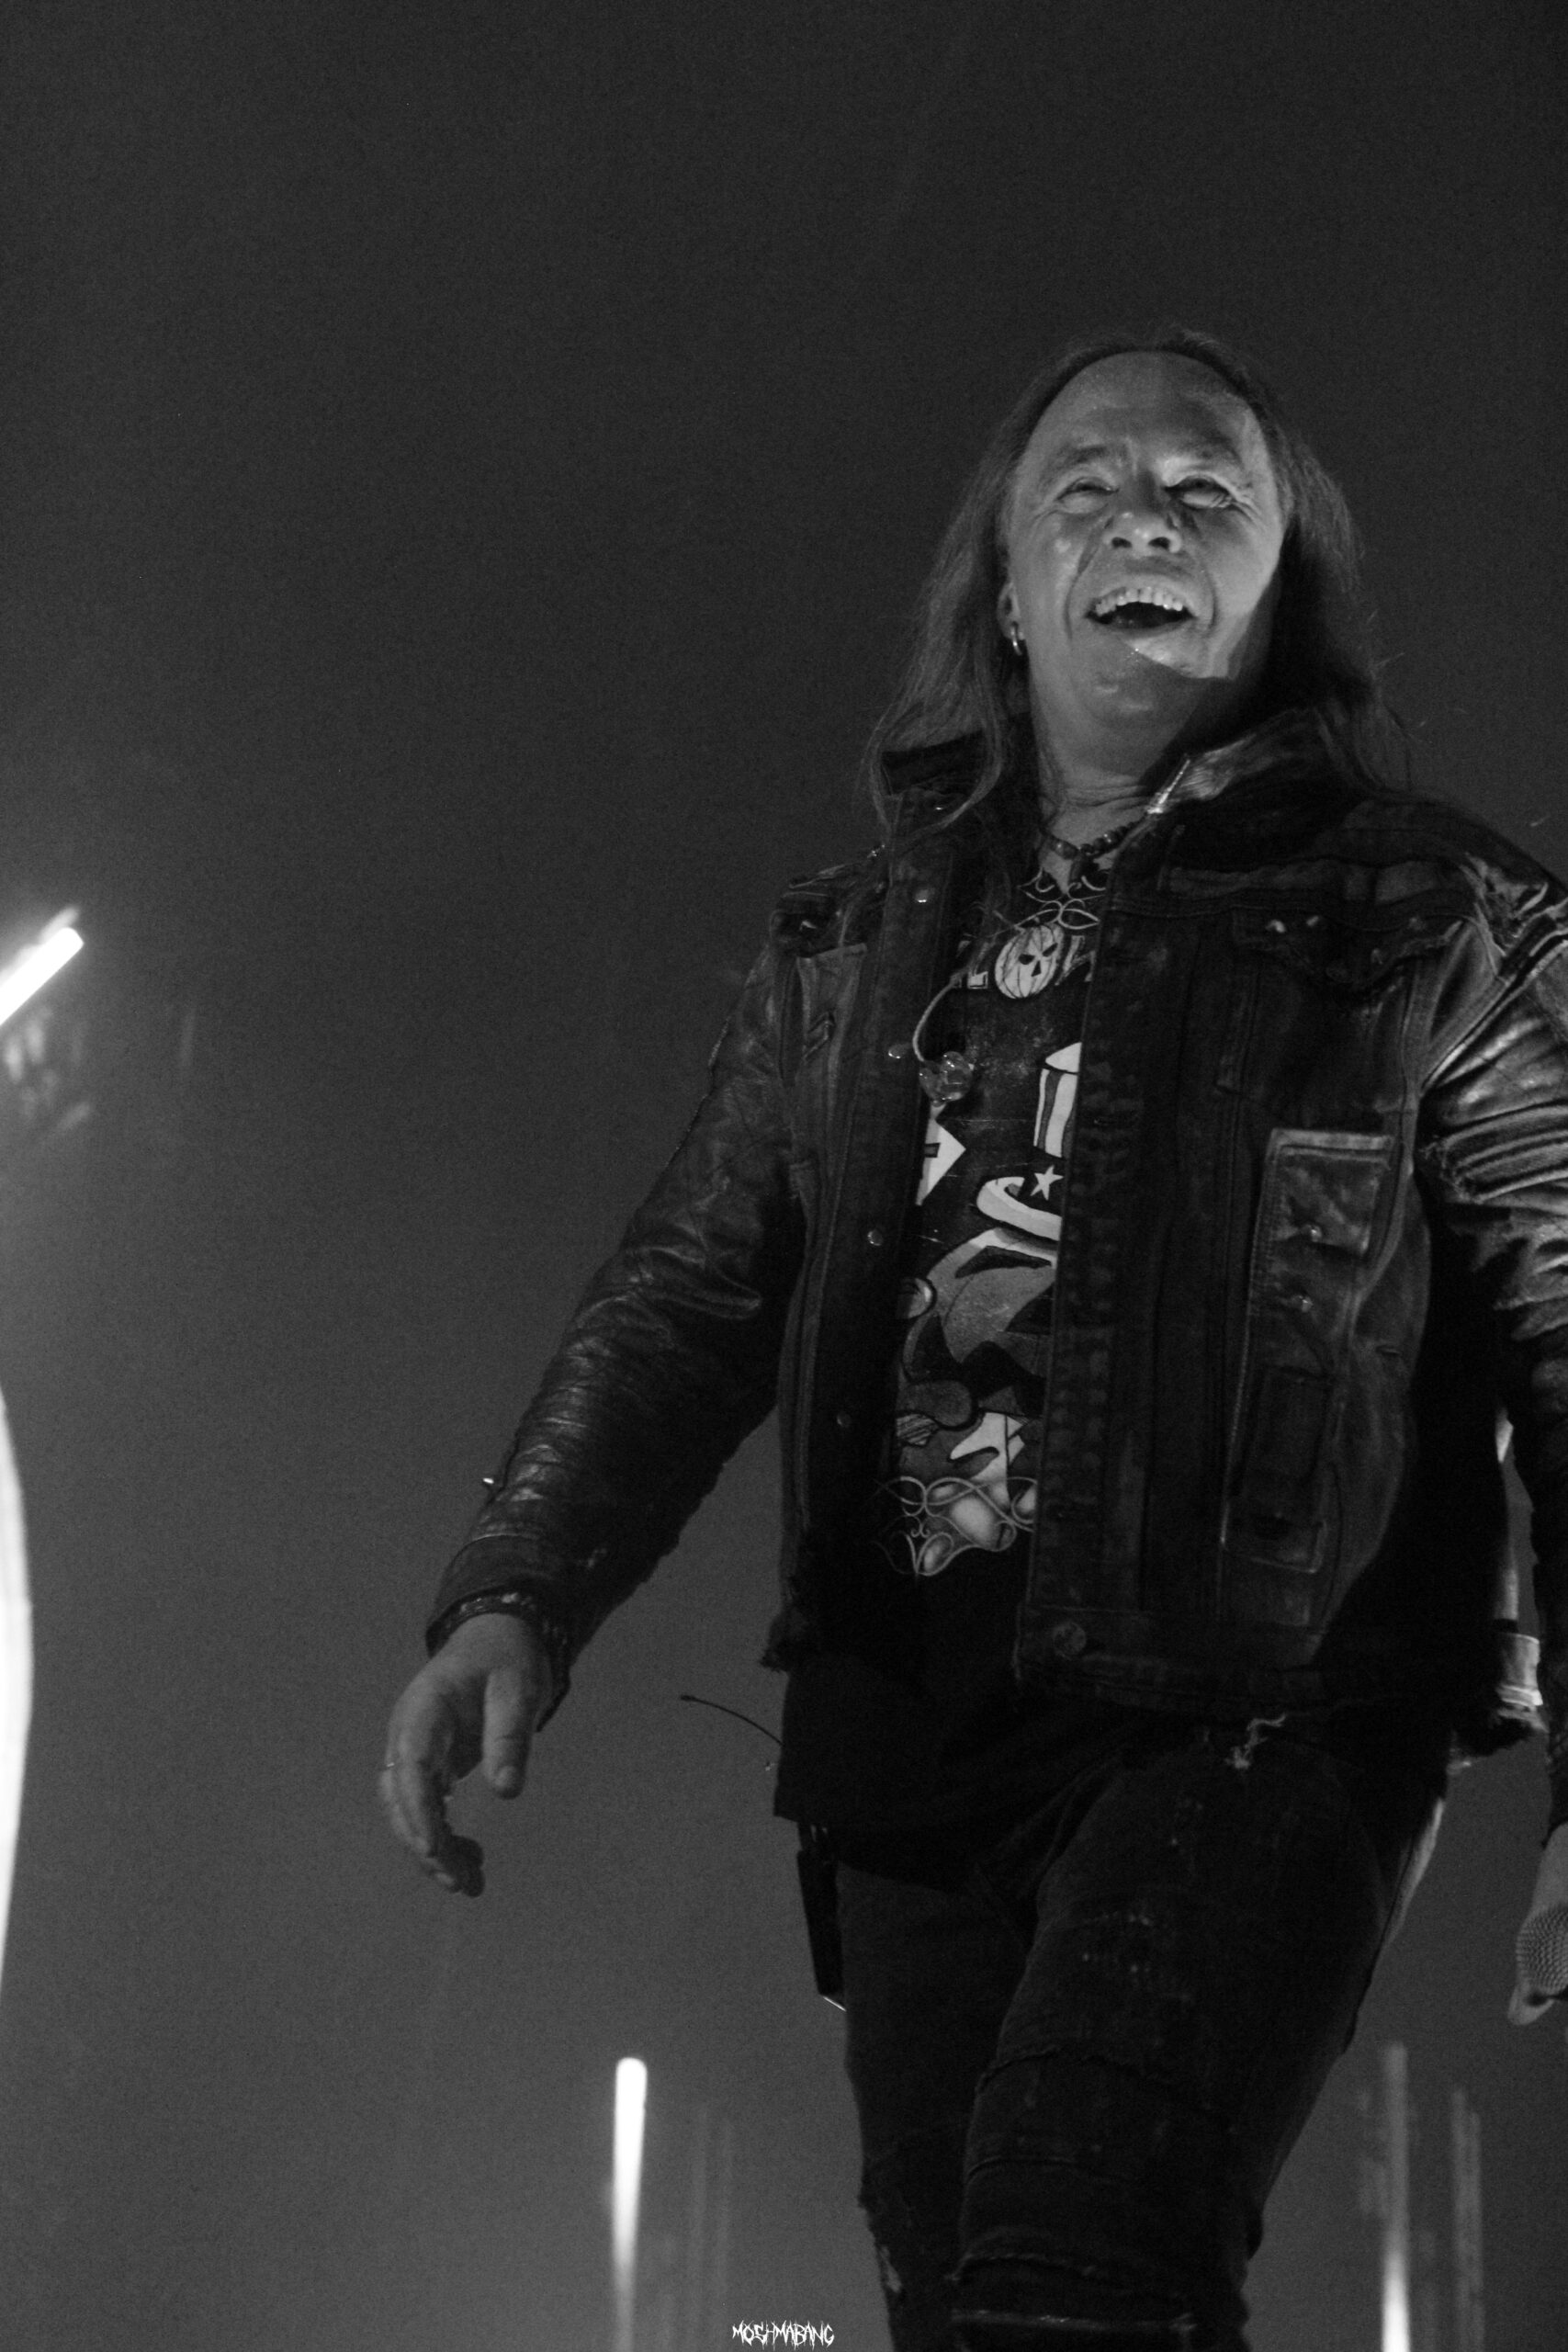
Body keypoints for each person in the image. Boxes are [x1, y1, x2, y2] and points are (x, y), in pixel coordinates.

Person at [380, 330, 1568, 2352]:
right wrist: (516, 1592)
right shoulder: (853, 948)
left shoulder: (1428, 919)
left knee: (1078, 2265)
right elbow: (688, 1291)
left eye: (1203, 491)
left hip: (1257, 1709)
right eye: (1084, 488)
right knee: (969, 2306)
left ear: (1279, 584)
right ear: (1007, 596)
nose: (1142, 519)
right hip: (909, 1736)